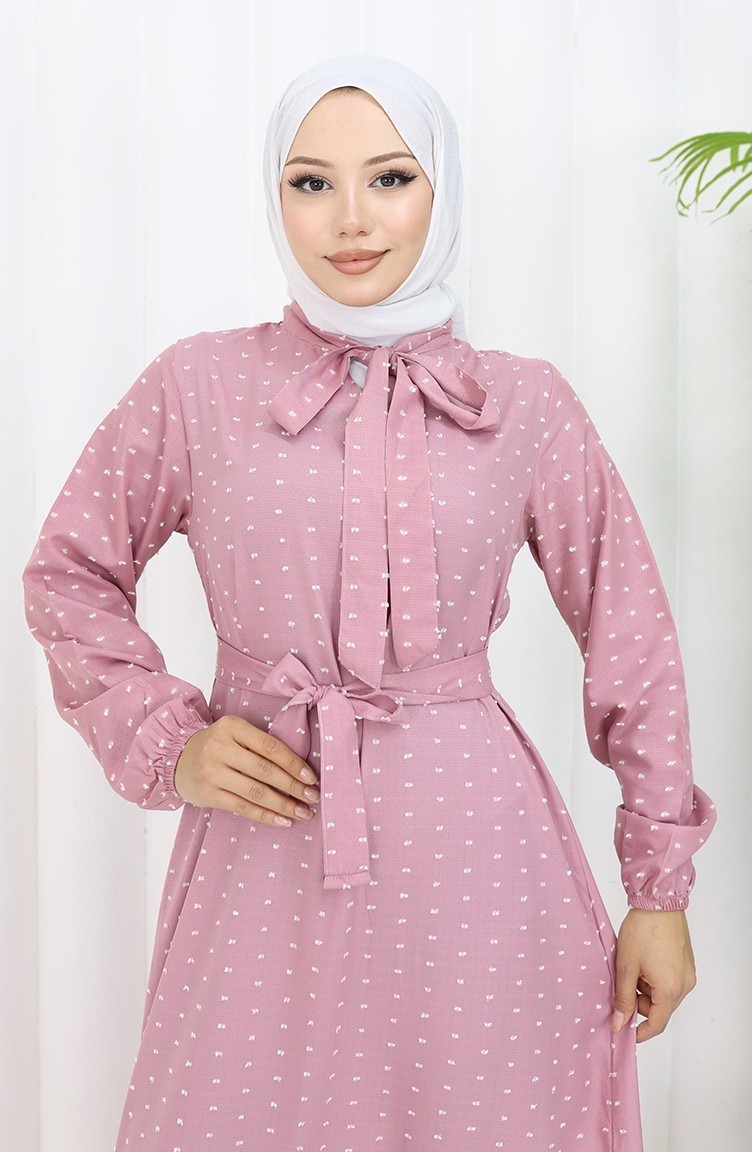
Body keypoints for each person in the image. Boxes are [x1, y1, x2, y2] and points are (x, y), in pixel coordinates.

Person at [23, 55, 715, 1151]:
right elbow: (69, 572)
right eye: (311, 183)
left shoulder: (525, 402)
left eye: (390, 178)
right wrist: (168, 740)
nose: (350, 218)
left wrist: (658, 891)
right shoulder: (197, 384)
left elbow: (631, 637)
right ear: (275, 197)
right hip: (264, 836)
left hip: (478, 856)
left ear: (440, 188)